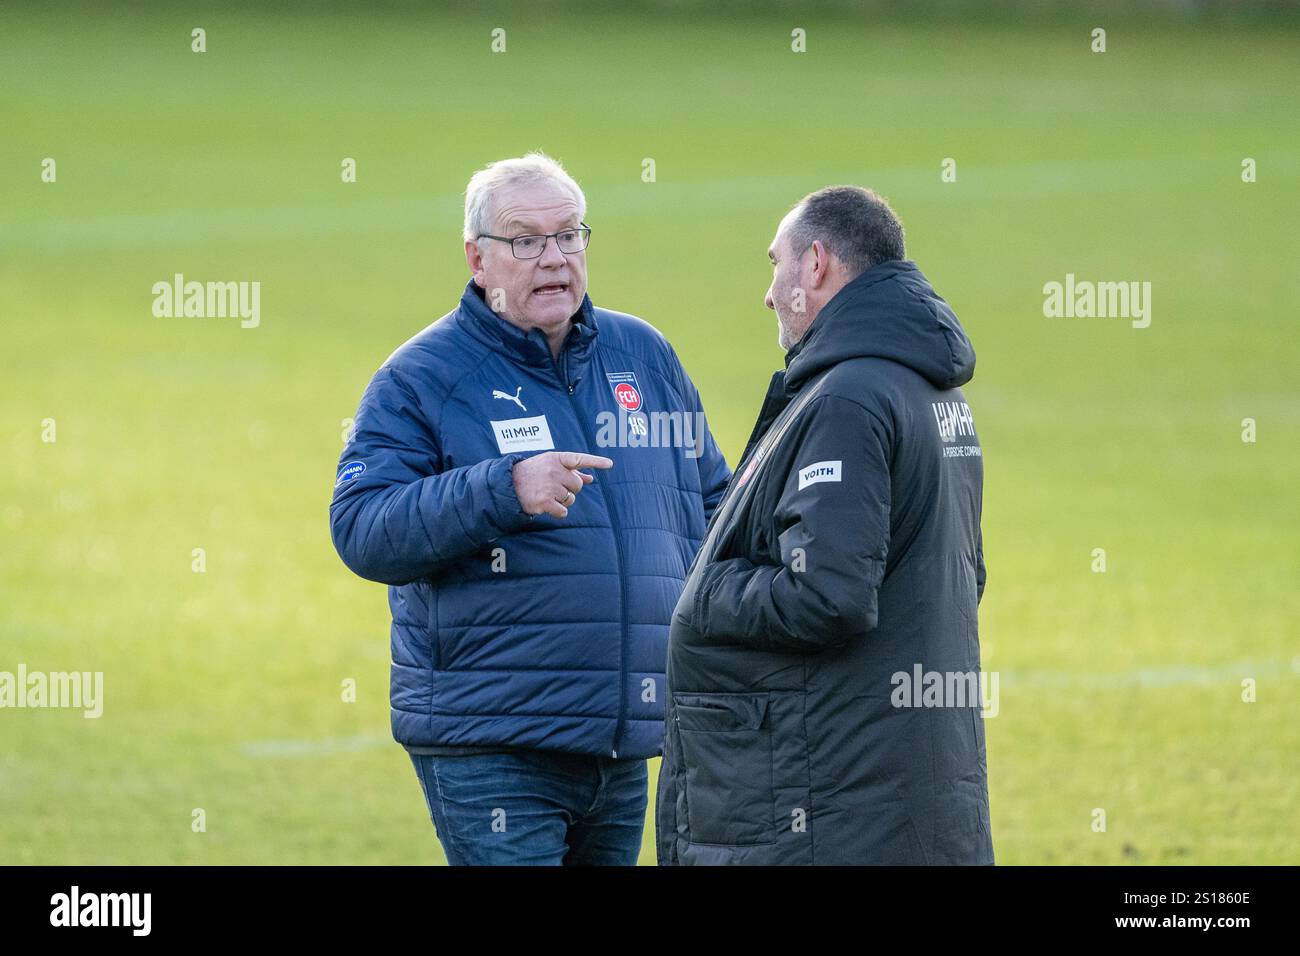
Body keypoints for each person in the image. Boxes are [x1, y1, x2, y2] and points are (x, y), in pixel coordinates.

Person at [330, 152, 729, 865]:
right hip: (493, 744)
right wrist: (502, 490)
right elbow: (363, 527)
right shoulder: (422, 378)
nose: (553, 257)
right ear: (477, 258)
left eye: (569, 235)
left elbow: (712, 505)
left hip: (624, 739)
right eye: (526, 240)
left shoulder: (643, 356)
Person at [656, 185, 993, 865]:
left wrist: (705, 591)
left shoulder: (850, 398)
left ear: (816, 264)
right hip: (903, 790)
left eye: (774, 263)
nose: (768, 292)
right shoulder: (932, 391)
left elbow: (827, 594)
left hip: (831, 802)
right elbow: (963, 576)